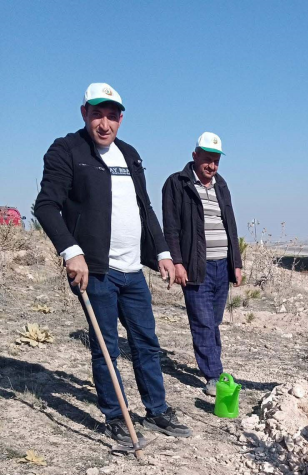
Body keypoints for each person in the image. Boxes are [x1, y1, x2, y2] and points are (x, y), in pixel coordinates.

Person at [34, 82, 191, 447]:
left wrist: (163, 252)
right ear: (84, 114)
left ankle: (157, 409)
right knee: (106, 348)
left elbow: (144, 208)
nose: (104, 124)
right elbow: (45, 205)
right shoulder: (66, 150)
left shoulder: (130, 154)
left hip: (133, 270)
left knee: (146, 343)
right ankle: (116, 416)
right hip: (96, 271)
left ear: (121, 118)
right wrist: (71, 251)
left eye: (112, 115)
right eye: (97, 114)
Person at [162, 132, 243, 396]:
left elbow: (230, 225)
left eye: (216, 161)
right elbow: (171, 228)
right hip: (196, 266)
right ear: (195, 155)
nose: (212, 166)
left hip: (222, 266)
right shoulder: (177, 183)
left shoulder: (221, 185)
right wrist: (177, 262)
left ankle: (213, 367)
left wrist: (237, 263)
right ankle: (213, 376)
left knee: (214, 321)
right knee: (203, 321)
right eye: (207, 159)